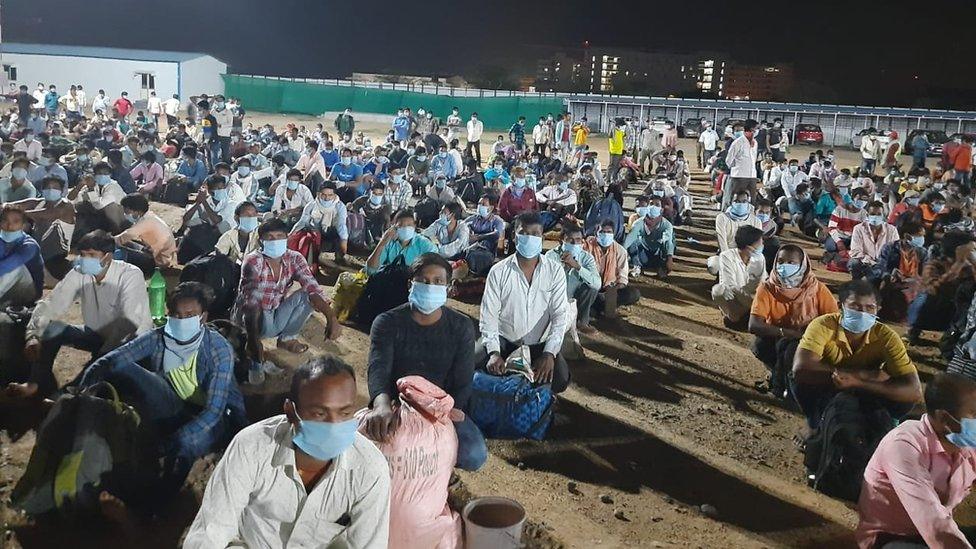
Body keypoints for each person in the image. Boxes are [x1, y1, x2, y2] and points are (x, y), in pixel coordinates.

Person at [183, 356, 389, 548]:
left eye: (345, 413)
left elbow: (368, 543)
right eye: (320, 413)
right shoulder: (251, 447)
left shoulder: (370, 468)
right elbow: (210, 534)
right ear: (291, 412)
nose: (334, 425)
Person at [80, 281, 246, 502]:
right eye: (177, 314)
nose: (182, 320)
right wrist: (82, 391)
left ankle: (157, 504)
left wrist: (172, 442)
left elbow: (214, 411)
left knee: (185, 447)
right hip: (175, 403)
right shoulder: (159, 337)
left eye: (190, 315)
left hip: (214, 418)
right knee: (123, 367)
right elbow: (112, 360)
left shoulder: (218, 349)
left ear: (203, 317)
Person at [360, 253, 487, 471]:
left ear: (447, 287)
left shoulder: (461, 326)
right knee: (371, 447)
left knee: (473, 454)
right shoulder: (387, 322)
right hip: (398, 405)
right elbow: (378, 369)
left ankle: (439, 473)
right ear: (411, 284)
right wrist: (381, 405)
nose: (430, 286)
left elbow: (463, 382)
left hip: (441, 409)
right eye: (423, 281)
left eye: (438, 281)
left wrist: (444, 414)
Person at [4, 231, 151, 399]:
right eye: (82, 254)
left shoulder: (130, 275)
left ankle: (69, 394)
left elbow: (128, 324)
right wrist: (33, 335)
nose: (85, 259)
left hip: (129, 342)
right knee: (51, 329)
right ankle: (35, 384)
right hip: (96, 334)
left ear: (107, 257)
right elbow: (52, 303)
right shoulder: (79, 273)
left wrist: (102, 356)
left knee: (99, 368)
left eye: (91, 255)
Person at [856, 372, 976, 549]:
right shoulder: (903, 446)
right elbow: (933, 520)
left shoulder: (967, 443)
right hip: (892, 538)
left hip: (936, 533)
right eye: (974, 413)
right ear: (944, 418)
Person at [792, 280, 923, 429]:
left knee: (901, 398)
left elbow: (914, 391)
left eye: (870, 308)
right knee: (801, 385)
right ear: (840, 306)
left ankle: (887, 425)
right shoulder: (823, 325)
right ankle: (816, 426)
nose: (862, 313)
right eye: (855, 306)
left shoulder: (886, 336)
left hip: (865, 388)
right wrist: (870, 375)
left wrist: (858, 382)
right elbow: (801, 370)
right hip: (829, 384)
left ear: (878, 309)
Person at [477, 212, 570, 393]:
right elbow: (488, 315)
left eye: (535, 234)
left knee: (559, 378)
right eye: (524, 233)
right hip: (505, 340)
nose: (530, 238)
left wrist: (549, 353)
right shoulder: (499, 271)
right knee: (472, 361)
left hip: (539, 344)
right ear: (514, 236)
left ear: (542, 237)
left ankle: (538, 400)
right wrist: (494, 352)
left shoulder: (554, 271)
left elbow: (560, 315)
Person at [234, 219, 341, 371]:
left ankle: (287, 339)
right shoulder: (253, 260)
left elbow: (312, 286)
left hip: (275, 313)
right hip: (253, 319)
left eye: (279, 236)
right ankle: (251, 341)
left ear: (287, 237)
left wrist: (331, 317)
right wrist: (253, 340)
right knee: (255, 309)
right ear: (260, 241)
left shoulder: (294, 257)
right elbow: (251, 302)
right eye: (269, 237)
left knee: (307, 296)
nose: (275, 240)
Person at [749, 245, 839, 398]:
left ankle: (793, 387)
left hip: (810, 339)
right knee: (760, 345)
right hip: (778, 336)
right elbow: (754, 324)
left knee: (792, 350)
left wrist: (809, 335)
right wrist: (786, 333)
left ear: (803, 265)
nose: (784, 266)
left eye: (791, 263)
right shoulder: (767, 288)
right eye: (781, 261)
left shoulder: (817, 289)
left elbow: (834, 321)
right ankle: (781, 377)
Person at [908, 231, 976, 344]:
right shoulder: (935, 265)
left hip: (959, 313)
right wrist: (957, 266)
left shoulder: (970, 267)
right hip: (937, 310)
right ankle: (916, 330)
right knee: (924, 297)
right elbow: (933, 289)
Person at [545, 223, 601, 334]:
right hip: (554, 298)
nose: (575, 243)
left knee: (591, 288)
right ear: (562, 241)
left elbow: (597, 283)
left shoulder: (587, 258)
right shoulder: (550, 256)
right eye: (570, 240)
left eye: (578, 240)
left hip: (575, 296)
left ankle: (582, 322)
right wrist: (563, 267)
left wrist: (577, 266)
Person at [712, 226, 766, 328]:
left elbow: (762, 282)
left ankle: (742, 318)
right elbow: (729, 285)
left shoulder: (760, 258)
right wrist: (751, 299)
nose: (762, 245)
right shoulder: (726, 256)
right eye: (760, 243)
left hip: (752, 300)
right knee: (718, 290)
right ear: (749, 247)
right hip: (738, 300)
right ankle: (733, 316)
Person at [584, 220, 640, 318]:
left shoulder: (620, 251)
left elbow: (622, 278)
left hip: (609, 289)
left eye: (609, 232)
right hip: (590, 288)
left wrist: (612, 291)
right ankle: (598, 307)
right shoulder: (587, 246)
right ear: (596, 233)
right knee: (587, 292)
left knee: (633, 294)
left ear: (614, 234)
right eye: (602, 232)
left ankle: (599, 306)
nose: (605, 234)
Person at [115, 193, 177, 272]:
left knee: (121, 251)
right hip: (157, 253)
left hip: (159, 261)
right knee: (127, 243)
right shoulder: (149, 217)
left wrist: (108, 240)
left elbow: (124, 236)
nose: (125, 215)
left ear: (136, 211)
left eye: (127, 212)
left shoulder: (146, 222)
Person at [289, 184, 349, 266]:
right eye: (323, 195)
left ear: (334, 195)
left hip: (332, 232)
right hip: (315, 233)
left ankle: (339, 258)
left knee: (341, 238)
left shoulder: (340, 206)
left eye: (330, 195)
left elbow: (341, 225)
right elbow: (302, 222)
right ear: (318, 194)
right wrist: (292, 233)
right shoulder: (311, 205)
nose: (326, 198)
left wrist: (344, 240)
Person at [365, 208, 436, 275]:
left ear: (414, 226)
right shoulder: (388, 242)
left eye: (409, 225)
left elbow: (435, 267)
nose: (405, 228)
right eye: (400, 225)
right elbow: (370, 270)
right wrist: (382, 243)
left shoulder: (424, 244)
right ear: (394, 227)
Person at [624, 195, 675, 278]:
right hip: (643, 254)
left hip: (658, 254)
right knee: (633, 241)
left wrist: (670, 258)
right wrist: (622, 252)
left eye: (657, 205)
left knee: (671, 240)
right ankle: (637, 266)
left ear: (661, 209)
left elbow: (667, 241)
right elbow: (630, 239)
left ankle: (661, 268)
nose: (653, 207)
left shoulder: (666, 225)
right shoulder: (638, 223)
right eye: (651, 204)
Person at [849, 201, 900, 280]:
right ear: (867, 215)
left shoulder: (892, 230)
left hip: (884, 265)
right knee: (854, 262)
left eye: (879, 214)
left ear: (883, 216)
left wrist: (881, 264)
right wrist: (871, 262)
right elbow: (855, 251)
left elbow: (895, 251)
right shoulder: (859, 229)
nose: (875, 217)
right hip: (865, 263)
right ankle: (857, 282)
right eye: (872, 214)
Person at [723, 120, 759, 208]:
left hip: (752, 176)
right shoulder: (738, 142)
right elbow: (729, 160)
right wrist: (737, 167)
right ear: (751, 129)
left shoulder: (755, 143)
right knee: (734, 198)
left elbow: (753, 159)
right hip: (739, 176)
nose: (758, 131)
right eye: (756, 128)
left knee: (751, 200)